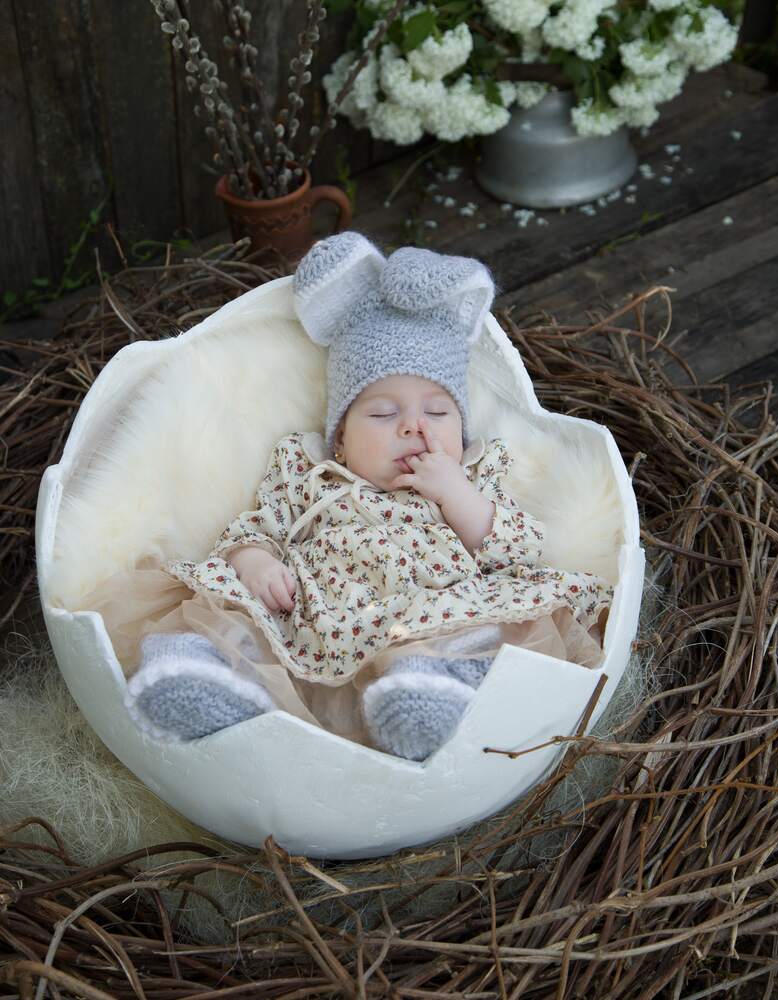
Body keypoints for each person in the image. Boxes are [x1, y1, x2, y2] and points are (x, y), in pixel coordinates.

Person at [92, 231, 614, 761]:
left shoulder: (477, 472)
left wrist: (457, 494)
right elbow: (256, 526)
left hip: (436, 605)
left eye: (438, 412)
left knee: (491, 626)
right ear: (340, 437)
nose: (414, 427)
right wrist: (254, 562)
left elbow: (516, 550)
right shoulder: (309, 471)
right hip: (314, 614)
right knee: (233, 609)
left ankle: (433, 690)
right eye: (384, 413)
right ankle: (205, 674)